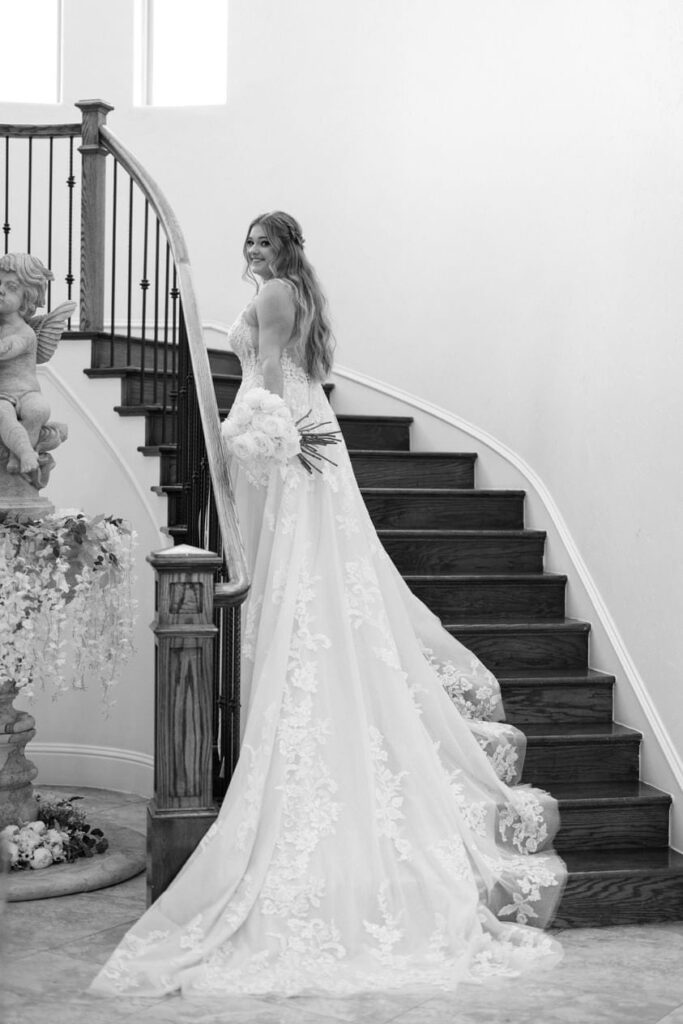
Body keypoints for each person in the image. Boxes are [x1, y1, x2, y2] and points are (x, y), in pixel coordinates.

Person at [89, 211, 566, 998]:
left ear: (285, 252)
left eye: (263, 243)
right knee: (308, 574)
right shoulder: (293, 292)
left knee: (298, 575)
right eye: (247, 243)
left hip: (289, 438)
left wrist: (249, 437)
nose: (252, 254)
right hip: (303, 433)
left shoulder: (276, 295)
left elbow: (271, 381)